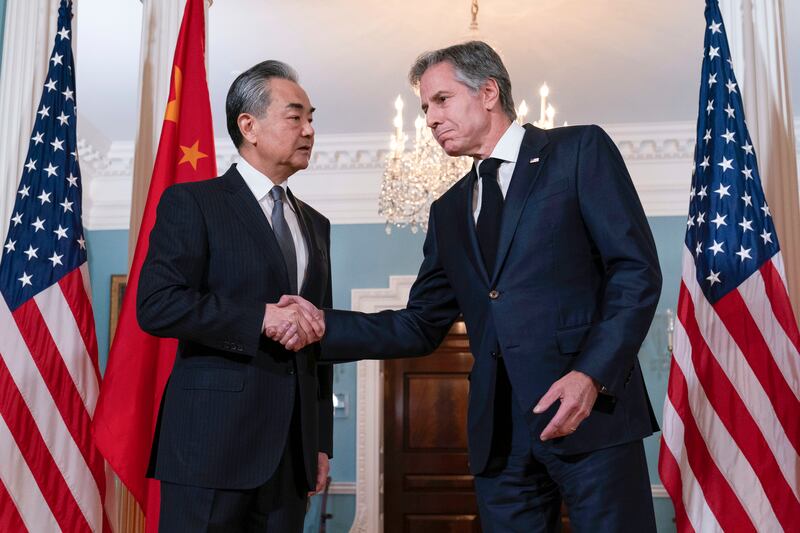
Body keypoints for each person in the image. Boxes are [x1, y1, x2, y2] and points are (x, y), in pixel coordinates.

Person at [275, 41, 662, 532]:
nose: (430, 120)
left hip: (588, 414)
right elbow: (419, 325)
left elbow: (635, 272)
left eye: (440, 100)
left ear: (488, 92)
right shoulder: (449, 211)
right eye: (423, 109)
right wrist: (319, 327)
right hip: (499, 438)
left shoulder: (578, 151)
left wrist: (591, 374)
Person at [137, 60, 331, 532]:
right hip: (211, 447)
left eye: (311, 119)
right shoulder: (193, 203)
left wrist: (320, 442)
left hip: (292, 455)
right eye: (295, 116)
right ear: (249, 126)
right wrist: (257, 317)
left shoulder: (316, 225)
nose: (309, 130)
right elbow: (157, 304)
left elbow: (317, 340)